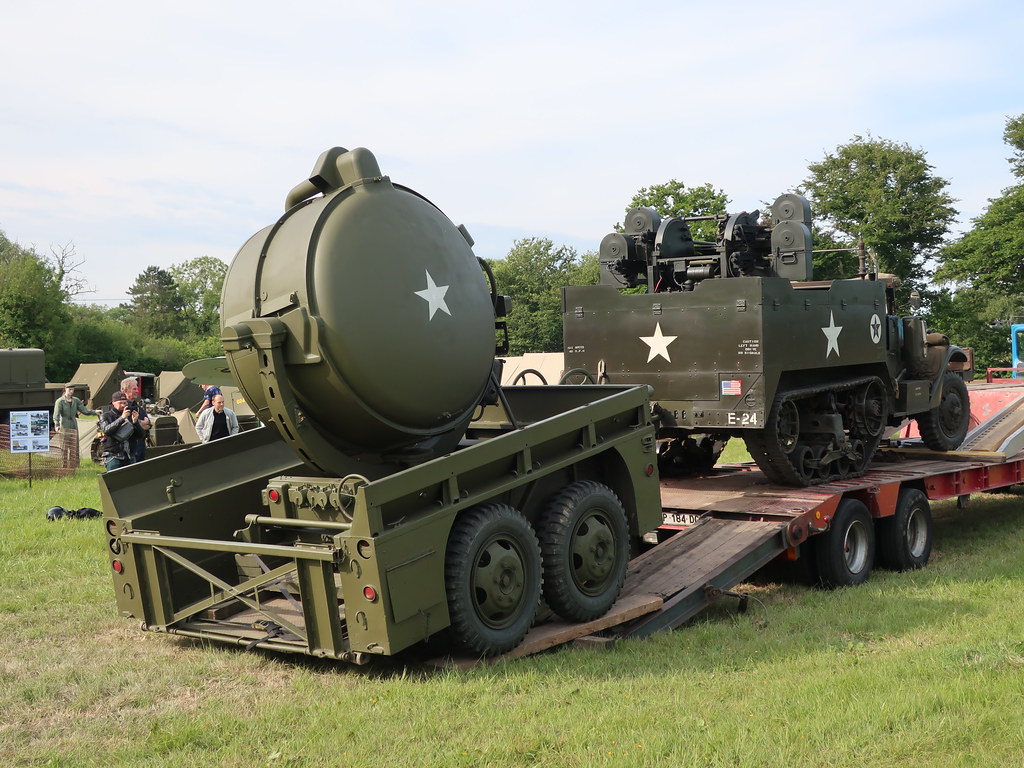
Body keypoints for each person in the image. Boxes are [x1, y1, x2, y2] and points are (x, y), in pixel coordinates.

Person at [52, 384, 98, 468]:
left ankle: (75, 466)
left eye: (72, 390)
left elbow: (85, 411)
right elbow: (56, 415)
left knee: (74, 447)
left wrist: (95, 412)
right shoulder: (60, 401)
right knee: (64, 447)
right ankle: (64, 466)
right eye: (69, 389)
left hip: (74, 425)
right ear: (65, 389)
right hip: (64, 425)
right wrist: (57, 425)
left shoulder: (76, 400)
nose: (71, 392)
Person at [98, 391, 145, 471]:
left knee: (132, 482)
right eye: (120, 403)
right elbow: (107, 430)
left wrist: (136, 422)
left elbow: (141, 435)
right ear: (113, 403)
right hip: (113, 455)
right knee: (114, 481)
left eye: (125, 403)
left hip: (130, 455)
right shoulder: (106, 416)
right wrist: (122, 418)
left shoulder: (130, 415)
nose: (123, 405)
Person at [120, 376, 151, 462]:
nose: (137, 391)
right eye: (134, 389)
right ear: (126, 390)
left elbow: (148, 424)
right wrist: (140, 423)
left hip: (140, 444)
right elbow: (125, 424)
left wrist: (139, 423)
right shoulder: (120, 406)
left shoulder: (137, 406)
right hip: (127, 446)